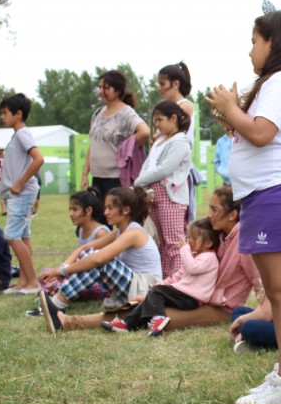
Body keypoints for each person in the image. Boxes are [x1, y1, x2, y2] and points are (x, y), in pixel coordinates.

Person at [207, 8, 281, 404]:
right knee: (276, 292)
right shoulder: (277, 82)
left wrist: (233, 109)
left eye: (255, 40)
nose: (250, 49)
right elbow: (250, 134)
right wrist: (230, 114)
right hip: (265, 194)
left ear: (275, 42)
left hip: (278, 193)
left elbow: (263, 134)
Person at [46, 186, 262, 334]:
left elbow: (259, 282)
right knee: (140, 302)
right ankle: (66, 319)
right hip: (194, 296)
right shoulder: (218, 236)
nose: (209, 213)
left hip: (220, 308)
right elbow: (190, 273)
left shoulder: (243, 241)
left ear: (232, 215)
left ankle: (69, 321)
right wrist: (161, 287)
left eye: (215, 209)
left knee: (145, 313)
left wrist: (262, 313)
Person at [38, 186, 162, 333]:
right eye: (105, 208)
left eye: (110, 208)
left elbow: (99, 259)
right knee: (90, 254)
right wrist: (60, 268)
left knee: (101, 261)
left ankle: (57, 305)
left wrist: (64, 271)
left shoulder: (134, 232)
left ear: (126, 210)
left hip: (145, 288)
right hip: (134, 284)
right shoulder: (119, 232)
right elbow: (84, 249)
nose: (105, 213)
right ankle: (57, 303)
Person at [102, 218, 219, 336]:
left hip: (192, 298)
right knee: (151, 296)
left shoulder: (209, 258)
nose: (189, 241)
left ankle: (159, 318)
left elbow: (191, 268)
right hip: (184, 294)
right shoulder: (194, 255)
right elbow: (178, 276)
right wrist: (162, 284)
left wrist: (184, 249)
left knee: (156, 292)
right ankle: (127, 323)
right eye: (189, 237)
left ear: (208, 243)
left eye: (194, 238)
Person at [133, 101, 193, 278]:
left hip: (171, 198)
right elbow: (148, 164)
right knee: (158, 241)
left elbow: (164, 169)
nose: (157, 124)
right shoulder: (159, 140)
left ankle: (177, 282)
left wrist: (137, 183)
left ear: (173, 118)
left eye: (159, 119)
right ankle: (163, 280)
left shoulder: (181, 141)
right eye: (155, 121)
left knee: (173, 243)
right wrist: (141, 182)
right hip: (152, 195)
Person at [0, 93, 45, 295]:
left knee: (11, 236)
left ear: (18, 114)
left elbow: (38, 159)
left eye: (5, 113)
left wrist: (19, 183)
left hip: (23, 192)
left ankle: (32, 282)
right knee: (22, 236)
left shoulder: (22, 134)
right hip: (20, 193)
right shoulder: (17, 135)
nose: (2, 117)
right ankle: (25, 281)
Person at [81, 70, 150, 198]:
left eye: (106, 88)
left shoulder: (126, 113)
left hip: (116, 179)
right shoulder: (97, 113)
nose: (101, 91)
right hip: (97, 178)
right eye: (100, 87)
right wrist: (85, 174)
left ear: (118, 91)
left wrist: (128, 149)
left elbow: (145, 132)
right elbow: (94, 144)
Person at [37, 188, 111, 302]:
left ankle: (53, 292)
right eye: (70, 209)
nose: (70, 214)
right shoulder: (81, 230)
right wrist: (57, 272)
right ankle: (53, 290)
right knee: (45, 273)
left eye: (75, 210)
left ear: (89, 211)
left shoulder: (101, 233)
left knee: (60, 281)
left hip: (98, 281)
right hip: (81, 273)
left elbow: (97, 267)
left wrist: (62, 273)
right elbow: (77, 259)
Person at [156, 62, 195, 143]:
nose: (159, 88)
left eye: (162, 84)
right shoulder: (166, 106)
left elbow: (171, 135)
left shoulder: (184, 106)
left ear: (176, 84)